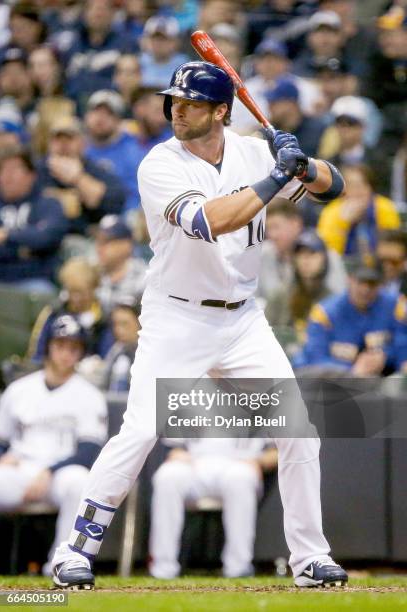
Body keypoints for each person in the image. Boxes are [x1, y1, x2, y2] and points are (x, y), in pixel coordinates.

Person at [50, 60, 348, 589]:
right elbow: (212, 220)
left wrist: (302, 164)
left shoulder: (254, 151)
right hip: (177, 315)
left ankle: (310, 560)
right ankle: (75, 552)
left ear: (220, 111)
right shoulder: (159, 164)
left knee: (298, 433)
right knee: (140, 430)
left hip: (243, 319)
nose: (176, 111)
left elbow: (335, 186)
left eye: (189, 104)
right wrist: (278, 174)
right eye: (174, 102)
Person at [0, 314, 108, 576]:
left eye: (73, 348)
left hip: (62, 473)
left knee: (80, 481)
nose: (65, 354)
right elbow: (2, 441)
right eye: (60, 345)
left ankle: (62, 564)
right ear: (48, 346)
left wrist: (49, 471)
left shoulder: (89, 395)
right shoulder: (19, 389)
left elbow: (89, 452)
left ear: (81, 353)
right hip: (22, 470)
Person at [149, 438, 278, 578]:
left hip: (241, 464)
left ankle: (239, 569)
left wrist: (260, 461)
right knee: (167, 476)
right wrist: (177, 454)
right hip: (194, 463)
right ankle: (162, 569)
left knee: (240, 477)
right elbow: (175, 447)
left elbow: (277, 452)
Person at [295, 261, 407, 374]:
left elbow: (402, 345)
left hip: (378, 378)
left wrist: (385, 356)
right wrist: (352, 371)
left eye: (372, 284)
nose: (365, 290)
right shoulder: (325, 313)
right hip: (329, 382)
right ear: (349, 280)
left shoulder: (394, 305)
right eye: (361, 282)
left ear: (380, 284)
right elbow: (315, 359)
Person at [39, 115, 126, 234]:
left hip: (84, 237)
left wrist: (78, 178)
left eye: (69, 138)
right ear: (49, 143)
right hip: (43, 236)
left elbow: (116, 200)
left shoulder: (93, 168)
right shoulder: (37, 169)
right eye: (58, 139)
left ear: (82, 143)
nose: (63, 145)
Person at [0, 145, 68, 292]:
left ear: (31, 175)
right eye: (2, 170)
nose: (7, 176)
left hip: (35, 282)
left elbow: (46, 237)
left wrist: (7, 235)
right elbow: (36, 239)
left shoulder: (48, 203)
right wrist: (24, 248)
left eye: (14, 169)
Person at [257, 199, 347, 304]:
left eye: (276, 227)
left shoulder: (324, 255)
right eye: (268, 229)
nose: (272, 235)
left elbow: (339, 299)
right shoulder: (263, 254)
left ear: (296, 224)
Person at [28, 257, 112, 362]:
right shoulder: (54, 312)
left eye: (81, 292)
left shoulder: (102, 319)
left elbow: (106, 357)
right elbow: (37, 354)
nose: (76, 298)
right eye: (72, 291)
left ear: (94, 288)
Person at [264, 229, 334, 344]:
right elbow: (264, 335)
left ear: (324, 259)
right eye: (300, 254)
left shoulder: (332, 300)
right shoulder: (281, 295)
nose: (305, 260)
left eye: (312, 254)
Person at [318, 164, 401, 258]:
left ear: (371, 188)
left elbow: (393, 249)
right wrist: (342, 223)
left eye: (363, 185)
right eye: (352, 185)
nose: (358, 191)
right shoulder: (331, 213)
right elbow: (329, 255)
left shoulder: (385, 208)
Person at [84, 89, 145, 211]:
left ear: (119, 121)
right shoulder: (80, 147)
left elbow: (137, 196)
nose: (100, 118)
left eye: (109, 114)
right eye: (96, 111)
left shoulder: (132, 152)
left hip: (121, 217)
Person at [95, 214, 146, 315]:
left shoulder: (145, 277)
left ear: (127, 245)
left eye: (107, 241)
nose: (100, 247)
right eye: (98, 240)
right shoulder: (93, 276)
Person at [265, 79, 327, 158]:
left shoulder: (319, 129)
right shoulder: (268, 132)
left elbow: (328, 165)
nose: (269, 107)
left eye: (274, 103)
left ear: (291, 103)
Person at [102, 298, 140, 392]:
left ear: (139, 323)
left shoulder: (149, 351)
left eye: (125, 324)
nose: (119, 330)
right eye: (115, 324)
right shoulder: (116, 349)